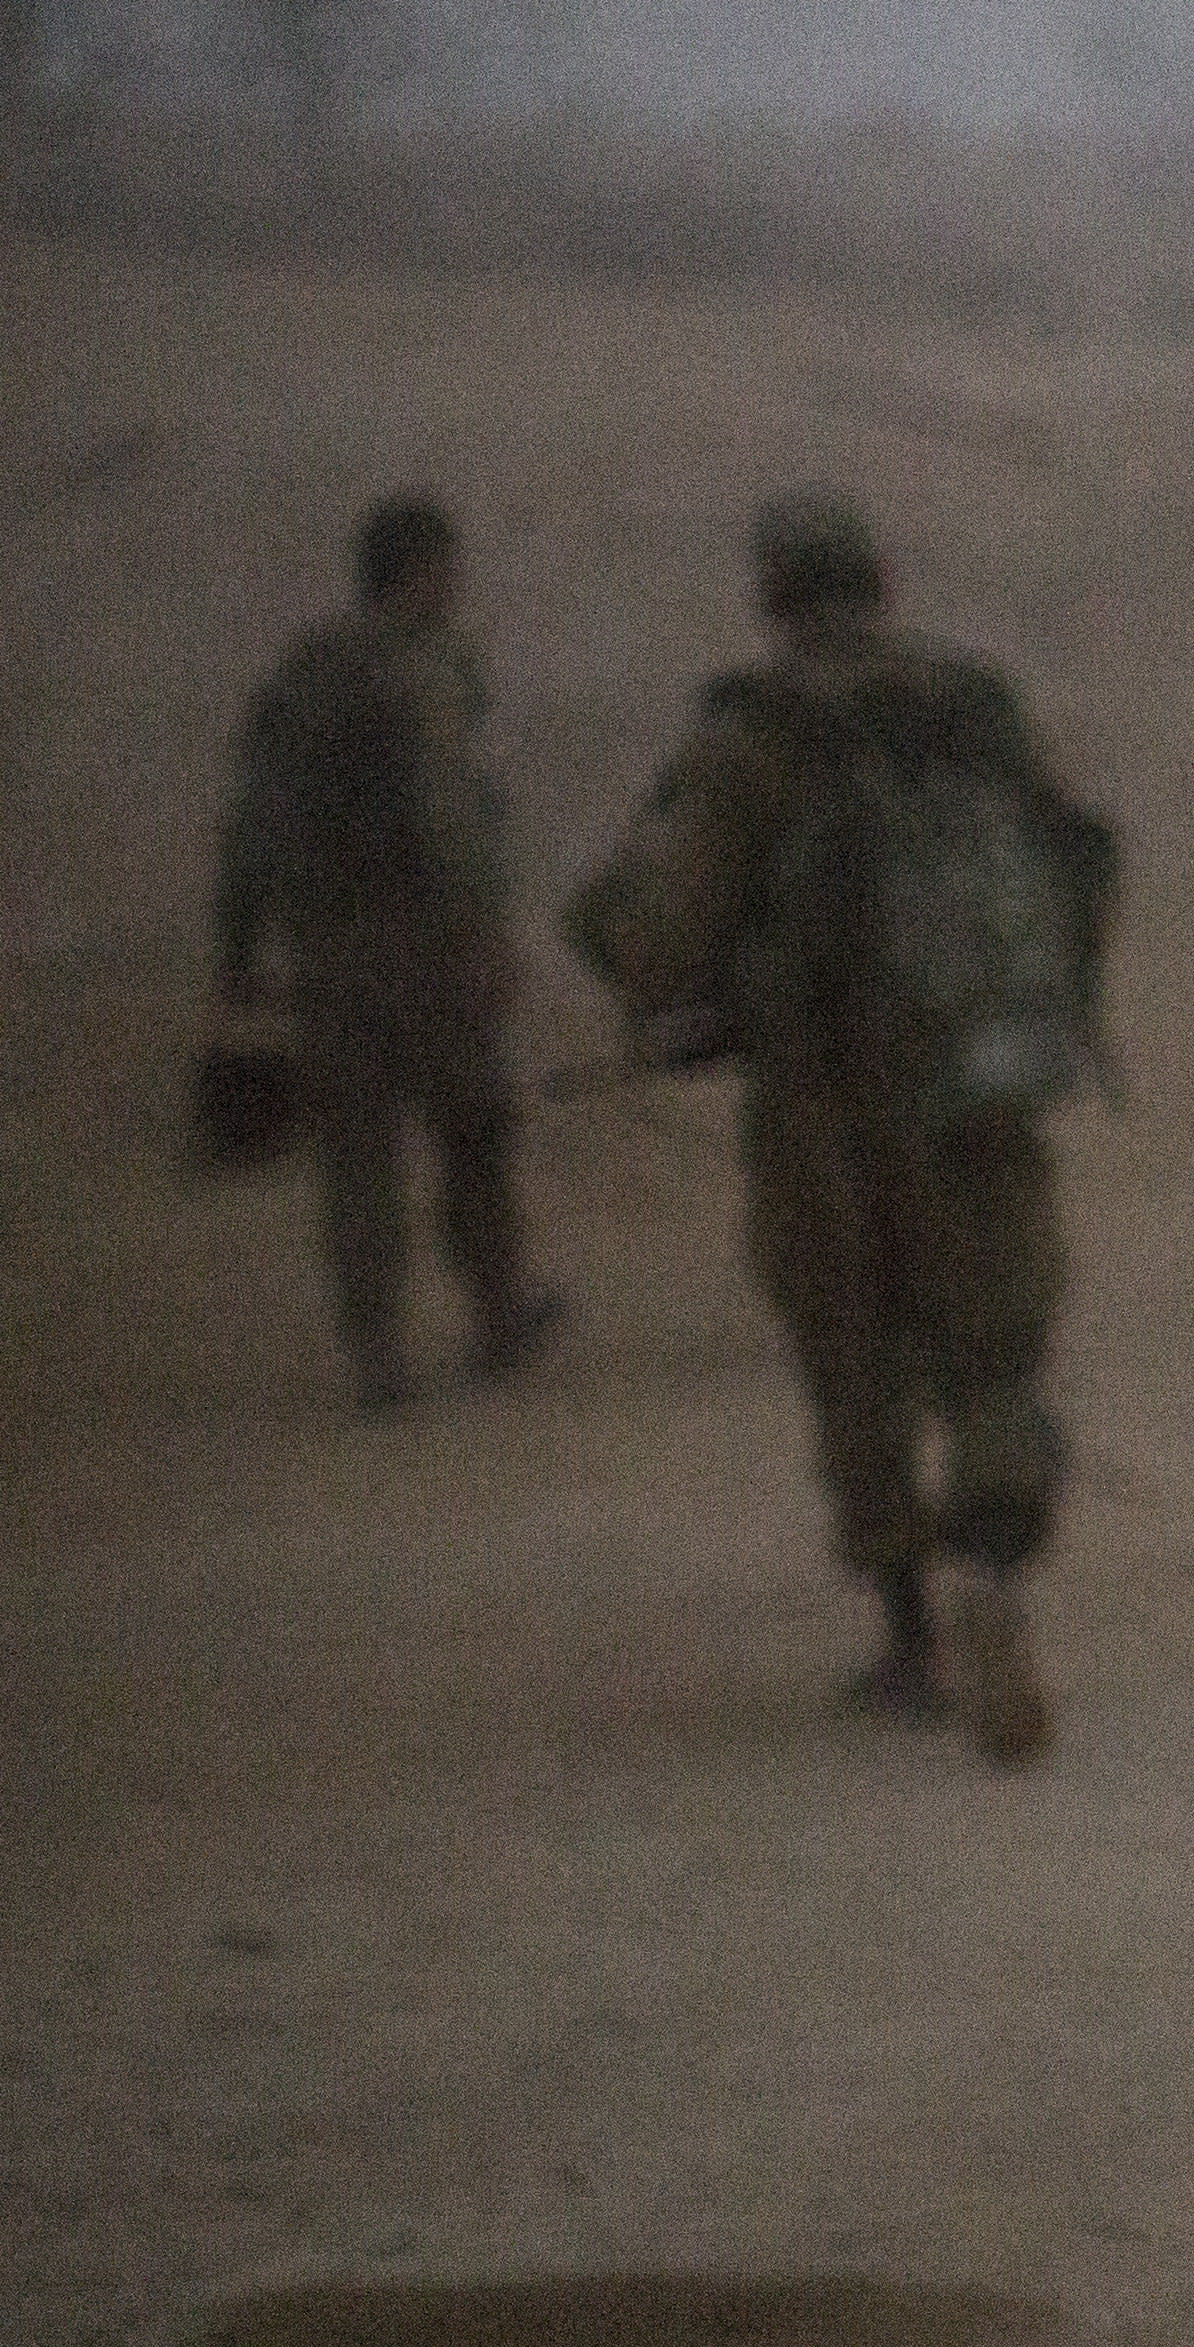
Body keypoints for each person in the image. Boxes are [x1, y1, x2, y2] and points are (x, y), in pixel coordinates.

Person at [564, 488, 1117, 1767]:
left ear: (772, 597)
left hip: (824, 1111)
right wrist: (1049, 1015)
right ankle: (992, 1557)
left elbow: (657, 936)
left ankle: (914, 1631)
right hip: (982, 1082)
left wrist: (639, 954)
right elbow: (1080, 853)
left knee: (852, 1350)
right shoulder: (973, 706)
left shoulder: (752, 741)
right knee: (992, 1347)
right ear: (880, 576)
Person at [212, 492, 563, 1411]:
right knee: (473, 1131)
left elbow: (248, 825)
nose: (456, 584)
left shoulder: (305, 673)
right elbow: (453, 820)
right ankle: (497, 1314)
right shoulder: (422, 672)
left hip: (328, 957)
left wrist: (238, 953)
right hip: (424, 950)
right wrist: (486, 933)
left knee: (357, 1160)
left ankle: (377, 1357)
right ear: (420, 572)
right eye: (447, 566)